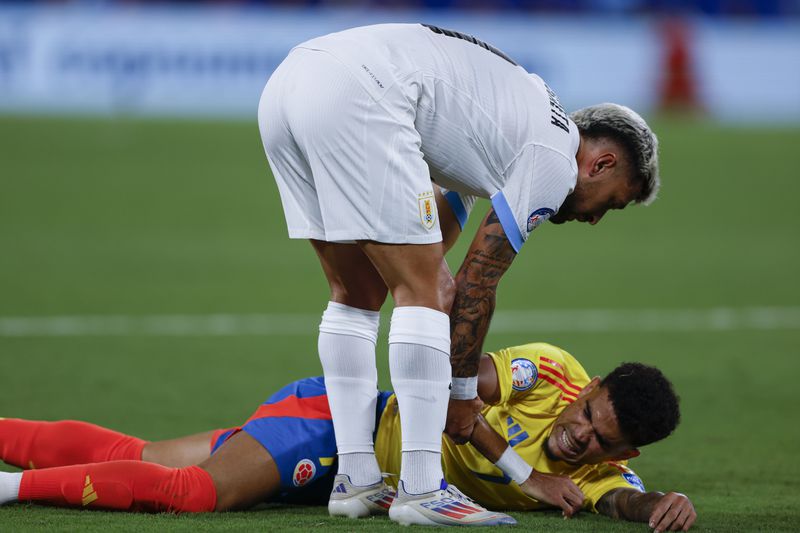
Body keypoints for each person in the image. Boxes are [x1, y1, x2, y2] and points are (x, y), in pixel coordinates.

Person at [258, 22, 660, 526]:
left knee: (357, 291)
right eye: (612, 204)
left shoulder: (502, 127)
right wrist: (461, 396)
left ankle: (357, 478)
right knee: (419, 293)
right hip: (359, 93)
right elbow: (477, 281)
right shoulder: (554, 160)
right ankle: (423, 489)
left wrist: (432, 281)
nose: (596, 219)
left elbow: (435, 246)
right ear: (600, 163)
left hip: (289, 84)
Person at [0, 342, 696, 532]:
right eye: (586, 412)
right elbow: (457, 387)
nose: (577, 434)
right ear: (591, 385)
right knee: (191, 494)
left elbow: (626, 503)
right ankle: (8, 487)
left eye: (598, 440)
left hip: (345, 466)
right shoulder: (548, 372)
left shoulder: (606, 476)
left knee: (138, 457)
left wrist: (661, 503)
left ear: (622, 454)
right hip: (341, 424)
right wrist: (525, 473)